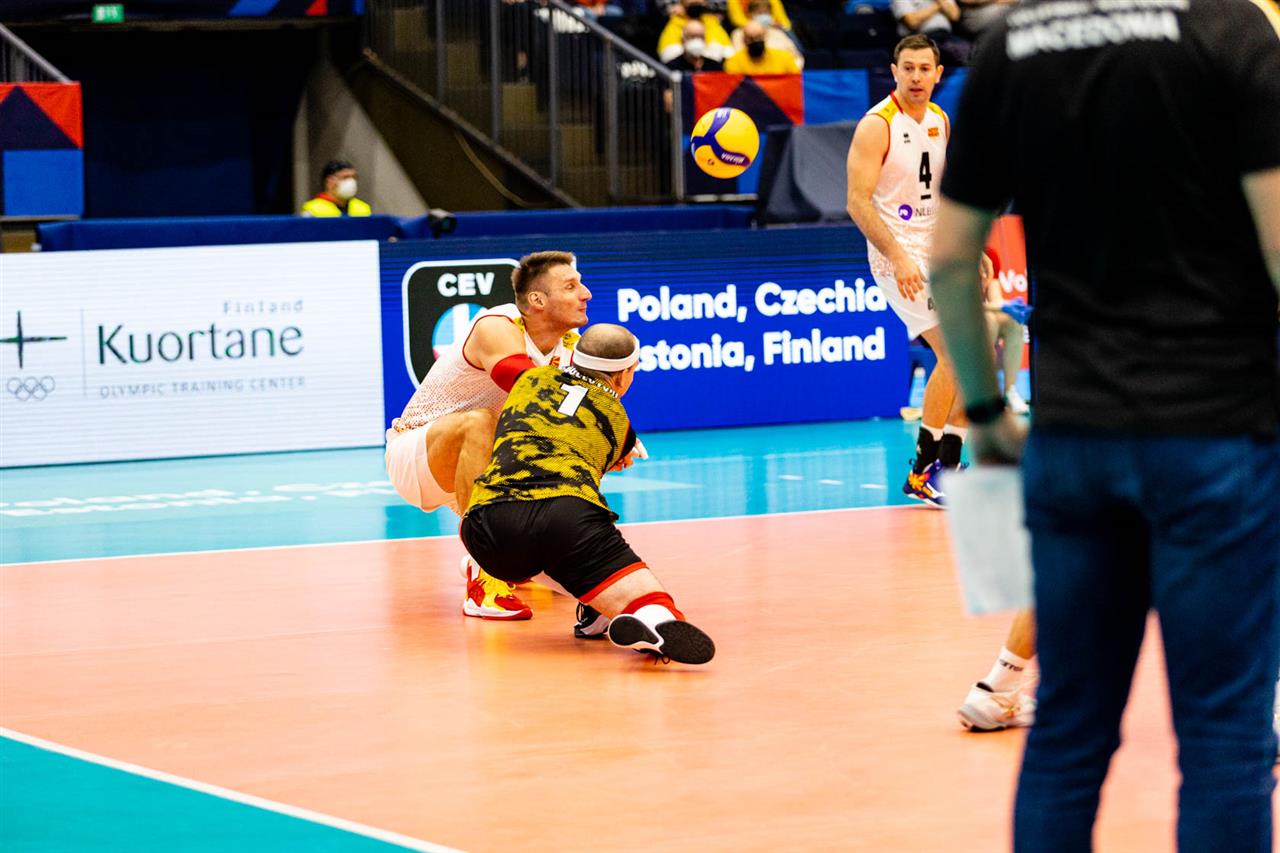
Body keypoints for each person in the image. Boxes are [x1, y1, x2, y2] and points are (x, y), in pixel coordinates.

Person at [928, 1, 1280, 849]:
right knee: (1226, 739)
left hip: (1074, 435)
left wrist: (987, 414)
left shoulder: (1013, 43)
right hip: (1215, 431)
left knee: (1069, 732)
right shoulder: (1232, 29)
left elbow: (951, 259)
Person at [460, 323, 715, 665]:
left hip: (487, 526)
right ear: (623, 375)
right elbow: (607, 454)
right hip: (566, 517)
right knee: (646, 597)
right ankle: (650, 617)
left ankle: (599, 613)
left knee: (542, 547)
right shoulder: (619, 421)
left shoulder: (529, 380)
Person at [386, 251, 599, 621]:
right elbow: (519, 380)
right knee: (481, 421)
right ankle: (484, 580)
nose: (586, 294)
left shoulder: (568, 347)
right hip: (418, 457)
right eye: (571, 286)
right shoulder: (497, 324)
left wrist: (611, 441)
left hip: (483, 466)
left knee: (569, 456)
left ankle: (503, 558)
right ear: (537, 300)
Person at [846, 34, 967, 508]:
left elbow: (944, 195)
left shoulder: (939, 119)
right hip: (896, 252)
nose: (916, 77)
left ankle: (950, 468)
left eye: (924, 69)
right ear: (894, 71)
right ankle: (922, 471)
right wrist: (898, 257)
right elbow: (857, 202)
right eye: (908, 68)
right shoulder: (877, 125)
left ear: (938, 74)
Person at [980, 250, 1030, 415]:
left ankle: (1009, 392)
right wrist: (1001, 306)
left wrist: (1010, 307)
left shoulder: (990, 256)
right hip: (951, 320)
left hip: (979, 316)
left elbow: (995, 300)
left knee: (1013, 322)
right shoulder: (957, 256)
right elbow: (961, 304)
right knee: (989, 319)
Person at [889, 0, 970, 66]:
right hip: (918, 39)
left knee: (971, 52)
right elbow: (912, 22)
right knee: (950, 51)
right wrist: (938, 6)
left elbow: (955, 15)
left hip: (946, 35)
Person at [729, 0, 805, 69]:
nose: (763, 16)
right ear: (750, 14)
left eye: (766, 13)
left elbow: (797, 58)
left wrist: (788, 72)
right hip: (749, 76)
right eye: (759, 13)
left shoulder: (778, 34)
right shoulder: (738, 34)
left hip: (778, 76)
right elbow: (734, 60)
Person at [658, 1, 735, 64]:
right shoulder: (675, 22)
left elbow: (728, 53)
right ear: (681, 2)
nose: (695, 1)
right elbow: (668, 55)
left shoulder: (711, 21)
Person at [724, 20, 802, 73]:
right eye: (750, 38)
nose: (755, 41)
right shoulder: (734, 62)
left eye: (759, 37)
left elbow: (795, 81)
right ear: (744, 40)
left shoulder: (784, 57)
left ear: (765, 37)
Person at [301, 160, 371, 218]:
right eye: (345, 177)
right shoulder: (312, 209)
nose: (351, 181)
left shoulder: (363, 208)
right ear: (329, 181)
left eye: (354, 177)